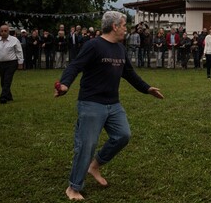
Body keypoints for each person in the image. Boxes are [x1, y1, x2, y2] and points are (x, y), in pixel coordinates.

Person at [54, 11, 164, 201]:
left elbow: (129, 73)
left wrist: (147, 88)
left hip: (113, 104)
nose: (125, 29)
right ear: (114, 26)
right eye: (123, 25)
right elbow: (75, 66)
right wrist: (65, 84)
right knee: (86, 145)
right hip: (91, 103)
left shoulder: (120, 49)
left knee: (123, 135)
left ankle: (94, 165)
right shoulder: (93, 45)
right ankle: (73, 188)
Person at [0, 24, 24, 104]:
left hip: (11, 63)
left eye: (5, 31)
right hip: (0, 63)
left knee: (7, 80)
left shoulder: (14, 40)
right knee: (3, 81)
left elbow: (19, 51)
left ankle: (3, 97)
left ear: (8, 31)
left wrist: (20, 63)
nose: (3, 32)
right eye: (2, 31)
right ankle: (9, 96)